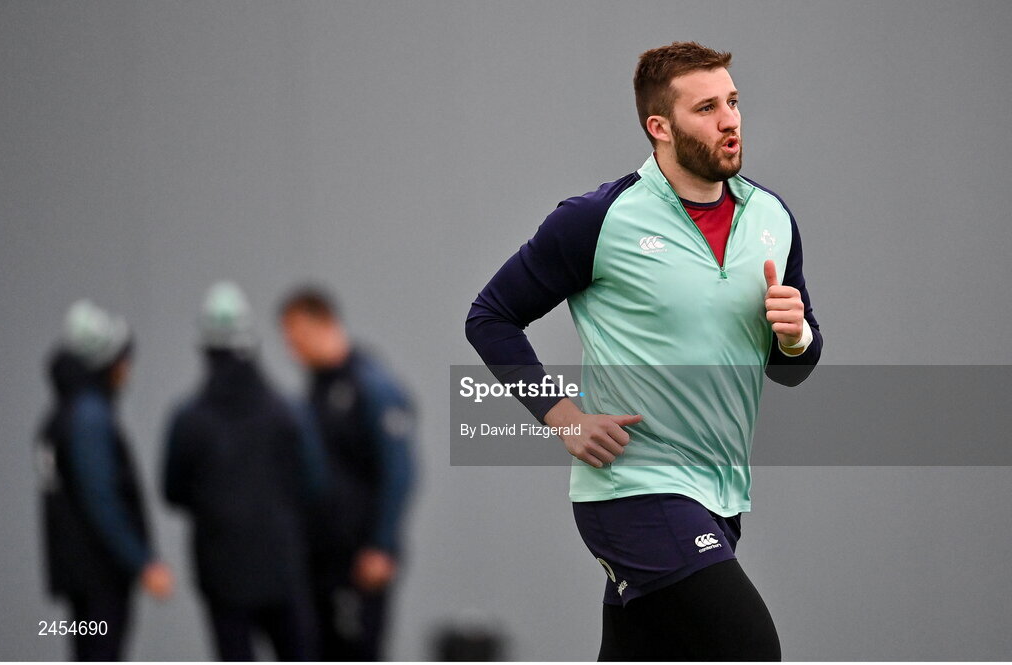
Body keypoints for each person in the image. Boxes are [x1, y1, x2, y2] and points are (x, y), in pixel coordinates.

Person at [465, 42, 823, 661]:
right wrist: (562, 416)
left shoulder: (773, 217)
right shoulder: (596, 219)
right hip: (632, 488)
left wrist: (796, 338)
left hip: (721, 495)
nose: (730, 120)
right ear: (660, 127)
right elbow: (490, 317)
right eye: (706, 108)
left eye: (733, 102)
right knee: (751, 650)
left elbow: (793, 369)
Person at [162, 282, 321, 661]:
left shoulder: (189, 419)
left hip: (221, 571)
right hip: (282, 564)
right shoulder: (287, 412)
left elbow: (172, 491)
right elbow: (314, 483)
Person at [279, 285, 416, 661]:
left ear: (323, 323)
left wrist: (382, 546)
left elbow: (399, 471)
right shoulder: (315, 389)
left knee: (356, 651)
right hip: (321, 559)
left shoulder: (371, 385)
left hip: (360, 558)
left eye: (297, 338)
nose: (292, 350)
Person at [35, 300, 173, 661]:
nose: (128, 370)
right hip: (100, 576)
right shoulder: (89, 418)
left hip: (77, 573)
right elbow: (101, 497)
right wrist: (142, 560)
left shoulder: (62, 414)